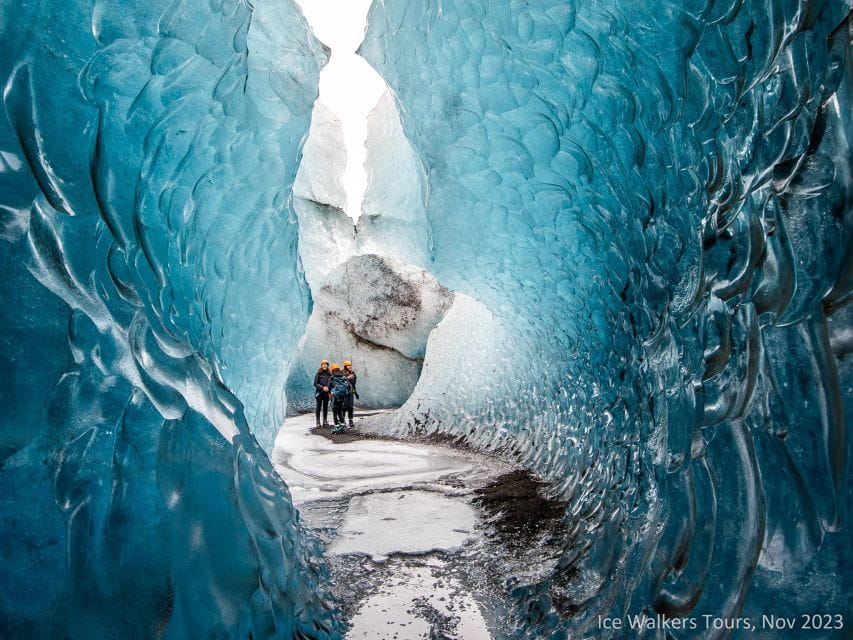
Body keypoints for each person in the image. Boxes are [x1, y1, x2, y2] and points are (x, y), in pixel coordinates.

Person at [328, 363, 352, 433]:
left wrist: (330, 395)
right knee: (340, 412)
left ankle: (337, 427)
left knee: (335, 413)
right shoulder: (343, 377)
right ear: (338, 369)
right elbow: (349, 386)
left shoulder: (331, 378)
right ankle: (343, 425)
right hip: (342, 396)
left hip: (335, 396)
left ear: (332, 370)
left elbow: (329, 388)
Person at [313, 360, 332, 427]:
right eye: (323, 364)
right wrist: (322, 387)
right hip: (319, 393)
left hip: (326, 393)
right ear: (321, 365)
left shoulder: (330, 374)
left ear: (327, 365)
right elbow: (315, 383)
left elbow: (332, 383)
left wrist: (329, 389)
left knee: (325, 407)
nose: (324, 366)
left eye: (326, 364)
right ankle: (318, 422)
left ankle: (325, 421)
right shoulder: (318, 373)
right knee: (318, 407)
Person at [343, 360, 358, 428]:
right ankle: (342, 420)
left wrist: (356, 393)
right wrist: (348, 378)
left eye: (350, 365)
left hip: (351, 392)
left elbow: (353, 384)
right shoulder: (342, 372)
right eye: (348, 365)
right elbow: (340, 380)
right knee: (344, 406)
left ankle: (350, 420)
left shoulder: (353, 373)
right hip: (344, 392)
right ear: (345, 366)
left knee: (351, 406)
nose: (350, 366)